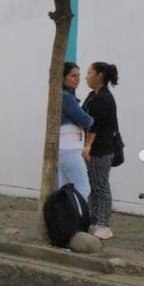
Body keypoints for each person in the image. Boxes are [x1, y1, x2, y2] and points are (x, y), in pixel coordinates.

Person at [83, 62, 120, 240]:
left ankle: (104, 224)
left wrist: (88, 145)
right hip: (95, 149)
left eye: (89, 72)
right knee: (94, 186)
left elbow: (94, 125)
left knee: (101, 186)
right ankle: (94, 220)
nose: (86, 76)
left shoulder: (103, 98)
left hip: (101, 149)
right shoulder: (92, 96)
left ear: (99, 76)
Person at [59, 62, 94, 200]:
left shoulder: (65, 96)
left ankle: (64, 219)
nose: (77, 79)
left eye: (78, 75)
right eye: (73, 76)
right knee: (83, 188)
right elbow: (85, 120)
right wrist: (89, 120)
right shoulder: (67, 97)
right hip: (71, 148)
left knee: (65, 187)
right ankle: (77, 217)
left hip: (64, 148)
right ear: (63, 78)